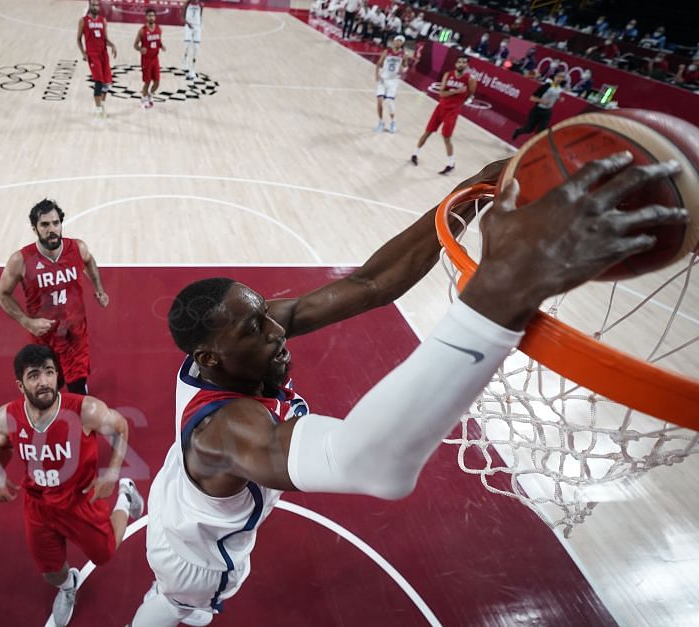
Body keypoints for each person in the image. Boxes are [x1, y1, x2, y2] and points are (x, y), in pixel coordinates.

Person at [128, 153, 687, 627]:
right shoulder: (226, 435)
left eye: (265, 313)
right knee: (182, 608)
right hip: (194, 553)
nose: (277, 329)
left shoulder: (236, 343)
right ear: (210, 357)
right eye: (256, 328)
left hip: (184, 492)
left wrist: (472, 193)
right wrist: (501, 291)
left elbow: (370, 283)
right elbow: (371, 464)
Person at [0, 344, 145, 627]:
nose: (45, 381)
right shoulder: (6, 416)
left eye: (49, 372)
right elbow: (1, 444)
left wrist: (112, 474)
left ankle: (125, 494)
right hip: (38, 505)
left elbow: (121, 427)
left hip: (79, 499)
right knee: (50, 572)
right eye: (34, 375)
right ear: (20, 385)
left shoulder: (86, 410)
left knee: (104, 553)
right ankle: (68, 585)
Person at [0, 199, 110, 396]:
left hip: (75, 337)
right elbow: (2, 295)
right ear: (35, 228)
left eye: (56, 223)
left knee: (77, 393)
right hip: (45, 340)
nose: (52, 229)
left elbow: (89, 261)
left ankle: (79, 421)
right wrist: (26, 321)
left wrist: (99, 288)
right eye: (45, 224)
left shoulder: (77, 248)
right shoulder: (21, 260)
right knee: (47, 392)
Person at [410, 53, 476, 174]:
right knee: (427, 132)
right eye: (459, 62)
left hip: (452, 111)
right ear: (456, 63)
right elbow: (441, 94)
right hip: (440, 108)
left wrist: (458, 100)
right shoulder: (448, 75)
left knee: (446, 137)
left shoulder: (470, 79)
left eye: (464, 62)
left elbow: (470, 95)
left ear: (467, 65)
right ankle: (414, 154)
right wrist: (456, 91)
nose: (461, 64)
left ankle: (451, 163)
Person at [77, 0, 118, 119]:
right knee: (99, 82)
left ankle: (102, 105)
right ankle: (99, 109)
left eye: (97, 5)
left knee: (107, 83)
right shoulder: (83, 21)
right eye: (93, 5)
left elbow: (105, 39)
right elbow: (78, 39)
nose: (96, 7)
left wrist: (113, 45)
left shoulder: (103, 20)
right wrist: (84, 53)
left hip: (103, 54)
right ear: (89, 6)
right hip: (93, 55)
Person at [512, 71, 567, 141]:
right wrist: (542, 101)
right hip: (537, 110)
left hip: (547, 112)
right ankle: (518, 131)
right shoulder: (546, 86)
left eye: (562, 77)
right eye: (558, 76)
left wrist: (560, 98)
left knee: (541, 132)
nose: (559, 78)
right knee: (528, 129)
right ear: (554, 77)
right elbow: (532, 98)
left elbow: (556, 95)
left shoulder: (559, 88)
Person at [374, 35, 409, 134]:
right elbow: (379, 63)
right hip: (383, 79)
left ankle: (393, 122)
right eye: (397, 40)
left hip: (393, 81)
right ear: (394, 41)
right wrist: (377, 75)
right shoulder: (386, 52)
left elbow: (406, 67)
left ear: (402, 43)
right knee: (380, 102)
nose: (398, 42)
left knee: (389, 102)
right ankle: (381, 122)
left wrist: (404, 69)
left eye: (400, 41)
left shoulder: (404, 55)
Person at [134, 8, 166, 109]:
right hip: (146, 60)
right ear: (146, 17)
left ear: (155, 17)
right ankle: (143, 99)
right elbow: (135, 45)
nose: (151, 17)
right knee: (147, 82)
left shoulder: (159, 29)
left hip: (155, 59)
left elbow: (158, 41)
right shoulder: (142, 31)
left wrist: (161, 46)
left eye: (153, 15)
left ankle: (150, 95)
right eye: (149, 15)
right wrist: (140, 49)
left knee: (157, 82)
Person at [183, 0, 202, 81]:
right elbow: (182, 17)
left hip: (197, 27)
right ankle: (185, 60)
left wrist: (199, 26)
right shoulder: (187, 3)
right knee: (186, 46)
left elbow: (200, 16)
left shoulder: (200, 4)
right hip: (188, 26)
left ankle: (193, 70)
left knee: (196, 49)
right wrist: (188, 23)